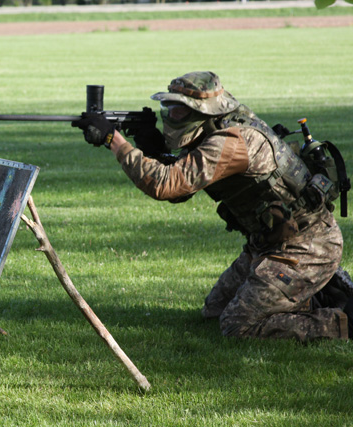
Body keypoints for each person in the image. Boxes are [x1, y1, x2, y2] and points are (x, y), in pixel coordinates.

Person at [72, 71, 352, 341]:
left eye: (179, 111)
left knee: (238, 325)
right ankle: (314, 294)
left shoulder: (233, 142)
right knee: (215, 311)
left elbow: (166, 184)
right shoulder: (215, 132)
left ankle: (342, 321)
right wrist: (153, 148)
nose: (171, 117)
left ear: (203, 112)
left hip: (306, 247)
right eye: (168, 109)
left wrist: (114, 140)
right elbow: (180, 190)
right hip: (268, 245)